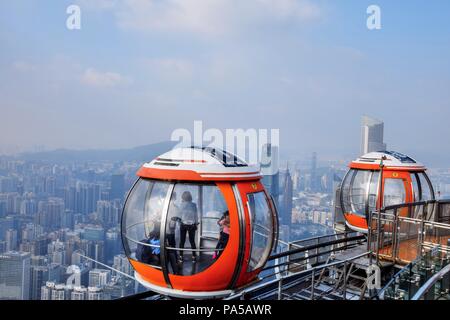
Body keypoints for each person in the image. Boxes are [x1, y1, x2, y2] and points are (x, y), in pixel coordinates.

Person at [178, 191, 198, 262]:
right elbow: (196, 215)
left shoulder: (182, 205)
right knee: (192, 241)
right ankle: (194, 257)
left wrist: (178, 223)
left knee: (182, 241)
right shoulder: (194, 205)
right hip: (192, 225)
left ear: (183, 197)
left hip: (183, 224)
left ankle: (180, 257)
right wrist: (196, 223)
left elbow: (179, 215)